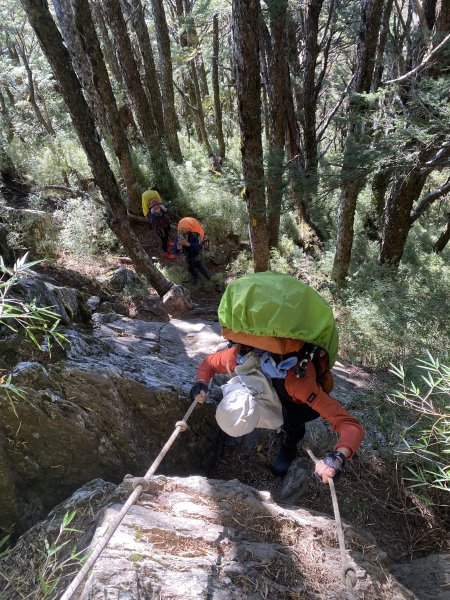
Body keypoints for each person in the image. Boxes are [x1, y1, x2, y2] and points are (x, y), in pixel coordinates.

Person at [189, 272, 365, 484]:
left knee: (293, 424)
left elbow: (349, 424)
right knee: (287, 421)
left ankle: (289, 445)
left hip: (296, 403)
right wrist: (201, 382)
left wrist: (338, 456)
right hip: (278, 392)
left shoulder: (297, 382)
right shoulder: (242, 357)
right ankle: (286, 437)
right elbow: (208, 363)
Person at [176, 217, 219, 289]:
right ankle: (195, 276)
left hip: (195, 255)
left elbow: (196, 247)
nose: (183, 235)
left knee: (201, 267)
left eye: (184, 233)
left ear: (188, 231)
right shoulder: (180, 234)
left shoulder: (194, 236)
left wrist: (187, 244)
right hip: (187, 255)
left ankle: (215, 282)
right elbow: (177, 247)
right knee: (190, 267)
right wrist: (178, 247)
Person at [142, 189, 176, 259]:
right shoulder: (151, 213)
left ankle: (168, 241)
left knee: (166, 234)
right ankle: (166, 253)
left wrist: (168, 214)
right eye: (155, 207)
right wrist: (154, 215)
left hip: (165, 224)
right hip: (159, 228)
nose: (157, 208)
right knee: (163, 238)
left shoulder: (161, 206)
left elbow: (168, 212)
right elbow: (152, 222)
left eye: (158, 206)